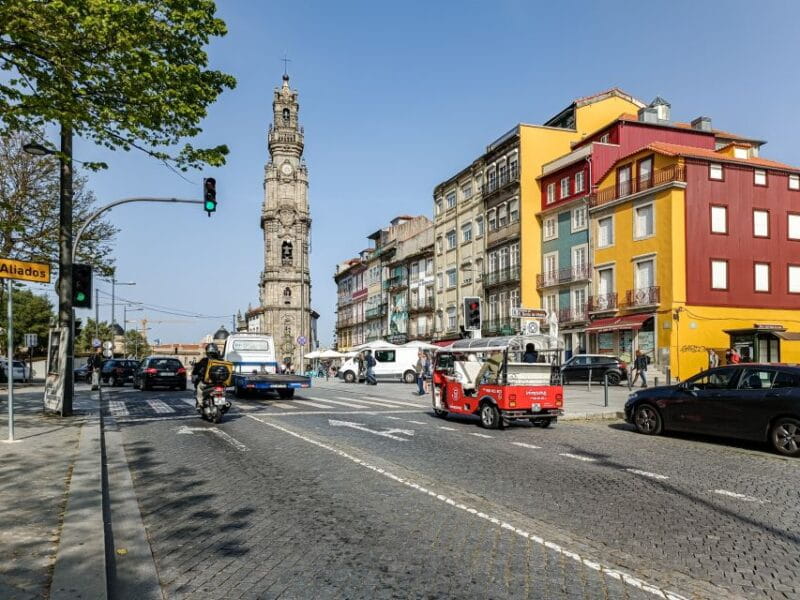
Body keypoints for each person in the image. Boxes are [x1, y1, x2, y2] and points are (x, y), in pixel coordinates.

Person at [192, 343, 221, 409]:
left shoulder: (204, 361)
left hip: (207, 382)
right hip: (219, 382)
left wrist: (195, 372)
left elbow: (196, 369)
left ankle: (200, 404)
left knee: (199, 387)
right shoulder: (221, 361)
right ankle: (219, 403)